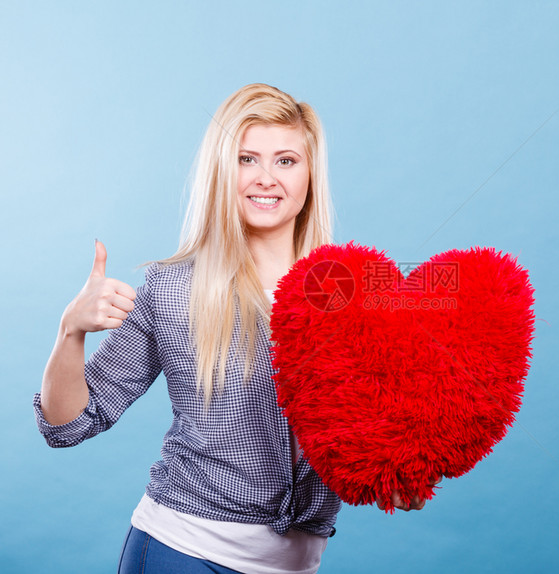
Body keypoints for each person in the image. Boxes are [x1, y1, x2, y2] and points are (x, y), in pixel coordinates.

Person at [34, 84, 428, 574]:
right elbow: (68, 424)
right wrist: (71, 330)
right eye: (247, 159)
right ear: (223, 171)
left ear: (310, 176)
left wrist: (397, 473)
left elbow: (368, 426)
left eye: (286, 160)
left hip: (298, 563)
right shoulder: (172, 287)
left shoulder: (352, 294)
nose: (266, 178)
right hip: (181, 554)